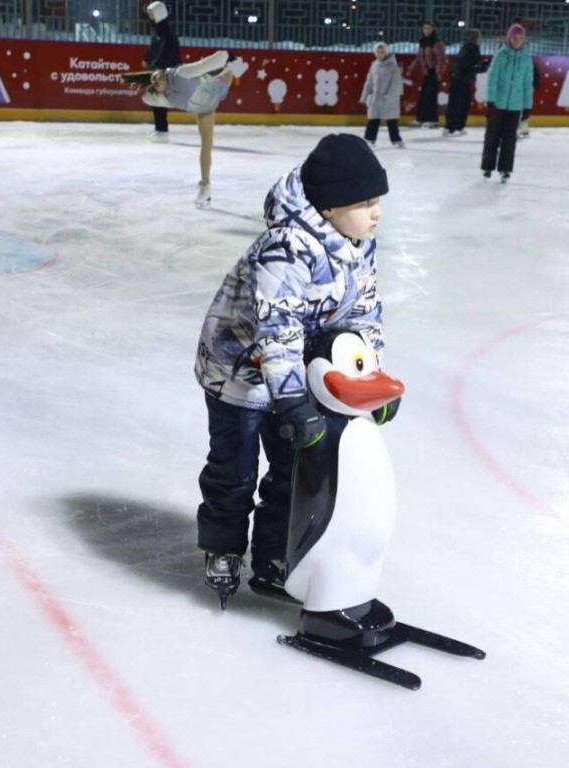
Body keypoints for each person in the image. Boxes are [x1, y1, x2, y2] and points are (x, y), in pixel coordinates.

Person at [192, 134, 397, 608]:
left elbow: (363, 316)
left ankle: (272, 556)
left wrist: (370, 378)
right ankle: (223, 549)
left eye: (377, 201)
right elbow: (278, 331)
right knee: (235, 469)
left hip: (289, 371)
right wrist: (291, 400)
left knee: (291, 468)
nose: (377, 212)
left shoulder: (358, 245)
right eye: (365, 202)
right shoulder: (284, 250)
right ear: (328, 207)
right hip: (238, 372)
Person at [123, 50, 233, 207]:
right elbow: (146, 99)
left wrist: (223, 56)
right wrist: (147, 86)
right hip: (205, 110)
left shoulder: (181, 73)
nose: (155, 82)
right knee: (206, 146)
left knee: (229, 72)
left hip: (215, 88)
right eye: (153, 83)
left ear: (163, 73)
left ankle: (222, 72)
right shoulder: (165, 97)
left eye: (155, 77)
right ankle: (205, 187)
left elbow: (203, 65)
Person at [480, 23, 533, 182]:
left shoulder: (526, 59)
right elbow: (492, 79)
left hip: (515, 106)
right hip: (498, 104)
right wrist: (490, 101)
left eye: (520, 38)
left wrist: (527, 106)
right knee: (492, 137)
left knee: (509, 139)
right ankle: (487, 166)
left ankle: (505, 169)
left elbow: (527, 84)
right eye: (514, 38)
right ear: (509, 38)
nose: (517, 41)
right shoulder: (500, 55)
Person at [142, 1, 180, 143]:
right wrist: (147, 60)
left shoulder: (167, 33)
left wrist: (156, 66)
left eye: (152, 14)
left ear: (159, 14)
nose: (150, 17)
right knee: (156, 99)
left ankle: (162, 130)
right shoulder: (157, 30)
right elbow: (152, 48)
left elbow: (166, 53)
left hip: (165, 71)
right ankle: (159, 129)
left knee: (160, 100)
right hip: (157, 70)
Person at [361, 42, 405, 149]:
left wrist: (389, 96)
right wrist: (365, 96)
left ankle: (396, 140)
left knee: (392, 122)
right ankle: (369, 139)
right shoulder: (374, 65)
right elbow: (369, 82)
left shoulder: (393, 67)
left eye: (382, 52)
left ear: (386, 52)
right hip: (376, 99)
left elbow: (396, 83)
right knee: (373, 120)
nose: (380, 54)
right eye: (378, 52)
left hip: (390, 100)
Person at [406, 20, 448, 128]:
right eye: (424, 28)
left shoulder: (436, 42)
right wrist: (411, 69)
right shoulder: (423, 42)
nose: (426, 30)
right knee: (424, 96)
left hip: (433, 73)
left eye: (429, 28)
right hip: (426, 73)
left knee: (431, 96)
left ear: (433, 29)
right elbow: (418, 58)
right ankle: (421, 118)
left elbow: (441, 59)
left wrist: (438, 73)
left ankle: (433, 119)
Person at [444, 28, 483, 136]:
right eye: (479, 37)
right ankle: (453, 126)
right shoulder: (472, 48)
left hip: (460, 79)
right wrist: (481, 68)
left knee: (459, 103)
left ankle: (455, 126)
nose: (481, 39)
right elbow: (468, 66)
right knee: (460, 103)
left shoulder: (466, 48)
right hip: (462, 80)